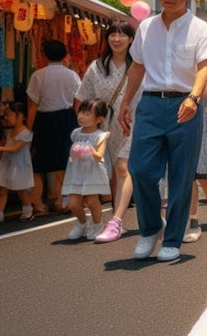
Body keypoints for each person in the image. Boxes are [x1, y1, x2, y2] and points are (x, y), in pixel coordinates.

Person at [118, 0, 207, 262]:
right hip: (149, 104)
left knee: (181, 175)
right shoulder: (146, 27)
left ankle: (173, 238)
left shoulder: (200, 28)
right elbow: (137, 66)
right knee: (139, 169)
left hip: (186, 104)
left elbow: (204, 67)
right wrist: (126, 101)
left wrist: (194, 97)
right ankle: (151, 228)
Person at [74, 21, 140, 243]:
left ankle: (116, 220)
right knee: (111, 174)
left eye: (123, 34)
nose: (117, 38)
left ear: (131, 39)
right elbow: (83, 98)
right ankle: (115, 219)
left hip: (133, 123)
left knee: (123, 168)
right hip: (104, 128)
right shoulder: (96, 67)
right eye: (113, 34)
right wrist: (86, 127)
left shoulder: (140, 65)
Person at [27, 39, 81, 215]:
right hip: (67, 118)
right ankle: (62, 200)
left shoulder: (38, 75)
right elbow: (78, 103)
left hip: (45, 120)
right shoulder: (71, 75)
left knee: (39, 163)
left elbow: (33, 105)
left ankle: (38, 204)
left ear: (44, 55)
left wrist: (29, 127)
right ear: (65, 55)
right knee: (64, 160)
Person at [62, 99, 111, 240]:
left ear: (99, 119)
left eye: (87, 113)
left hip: (93, 172)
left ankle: (97, 224)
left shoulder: (101, 135)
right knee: (73, 203)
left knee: (91, 201)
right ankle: (82, 223)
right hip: (76, 171)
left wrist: (89, 148)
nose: (81, 116)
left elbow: (99, 155)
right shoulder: (75, 133)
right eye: (81, 112)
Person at [184, 68, 207, 244]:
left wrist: (191, 93)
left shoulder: (203, 65)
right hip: (176, 121)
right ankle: (192, 219)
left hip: (201, 122)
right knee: (189, 173)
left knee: (200, 172)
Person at [0, 102, 34, 223]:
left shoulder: (25, 133)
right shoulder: (10, 132)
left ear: (20, 116)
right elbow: (3, 144)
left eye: (9, 115)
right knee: (2, 188)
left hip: (19, 165)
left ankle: (28, 208)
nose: (6, 118)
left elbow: (14, 149)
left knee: (21, 188)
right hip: (7, 164)